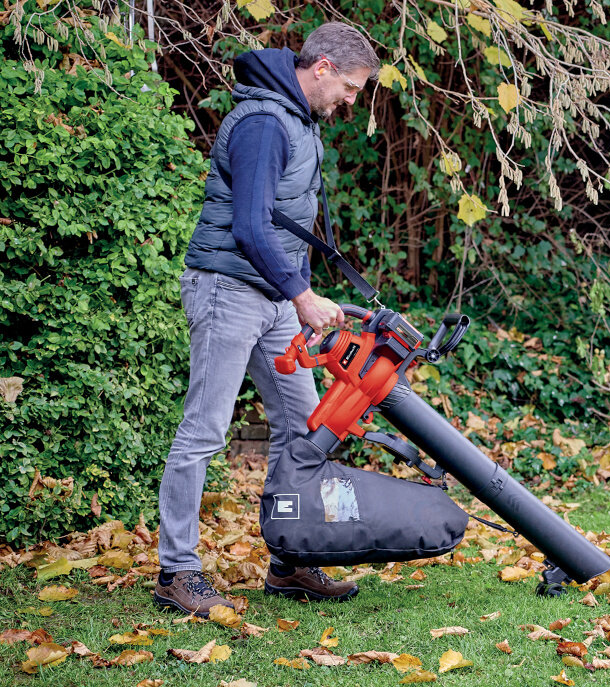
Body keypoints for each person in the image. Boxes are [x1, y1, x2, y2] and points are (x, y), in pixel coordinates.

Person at [153, 23, 380, 617]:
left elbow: (281, 223)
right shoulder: (263, 123)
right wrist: (302, 295)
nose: (352, 102)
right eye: (352, 88)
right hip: (228, 291)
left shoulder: (298, 120)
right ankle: (176, 570)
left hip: (272, 298)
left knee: (302, 429)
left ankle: (288, 559)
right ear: (324, 67)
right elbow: (249, 227)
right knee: (203, 432)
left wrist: (295, 292)